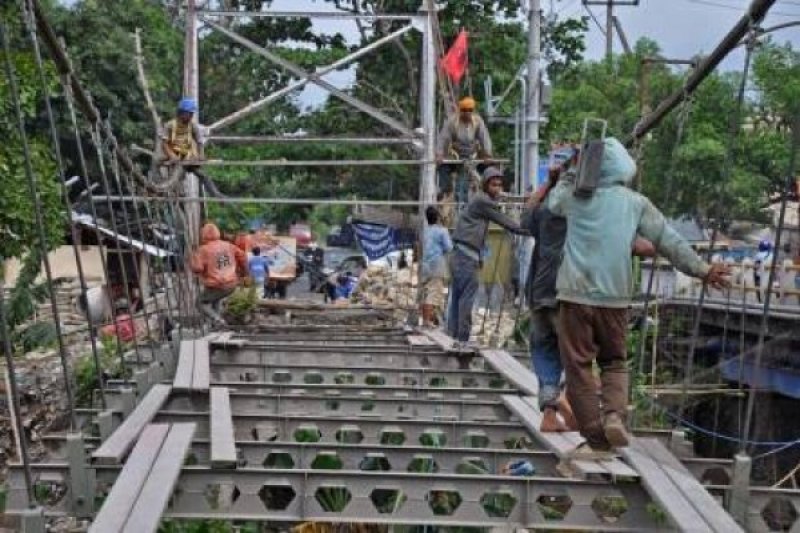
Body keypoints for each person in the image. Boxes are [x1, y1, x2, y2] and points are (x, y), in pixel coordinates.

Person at [547, 137, 730, 458]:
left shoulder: (576, 197)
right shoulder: (636, 202)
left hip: (575, 294)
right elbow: (668, 239)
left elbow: (552, 203)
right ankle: (615, 415)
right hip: (616, 297)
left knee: (578, 367)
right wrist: (702, 270)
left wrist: (569, 170)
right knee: (614, 361)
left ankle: (597, 438)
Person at [448, 167, 530, 347]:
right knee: (466, 298)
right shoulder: (483, 202)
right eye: (493, 185)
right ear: (485, 185)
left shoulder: (481, 199)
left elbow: (502, 198)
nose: (497, 189)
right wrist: (528, 230)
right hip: (465, 257)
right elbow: (506, 221)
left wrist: (520, 199)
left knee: (459, 297)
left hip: (461, 255)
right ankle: (462, 339)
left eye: (500, 185)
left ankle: (455, 337)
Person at [436, 97, 493, 205]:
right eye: (464, 110)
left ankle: (462, 203)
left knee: (465, 175)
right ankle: (445, 190)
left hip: (470, 155)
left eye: (470, 110)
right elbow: (443, 138)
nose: (467, 113)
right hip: (454, 155)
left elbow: (485, 138)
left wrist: (487, 154)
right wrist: (439, 154)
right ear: (460, 110)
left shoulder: (477, 121)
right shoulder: (452, 121)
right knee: (442, 167)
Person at [190, 222, 248, 326]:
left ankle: (218, 320)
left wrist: (193, 259)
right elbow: (243, 257)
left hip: (217, 284)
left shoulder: (203, 249)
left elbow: (197, 268)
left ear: (203, 235)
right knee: (215, 300)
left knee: (200, 303)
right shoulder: (229, 245)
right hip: (232, 283)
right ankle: (216, 325)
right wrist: (243, 273)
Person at [421, 206, 453, 327]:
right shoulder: (442, 231)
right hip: (436, 263)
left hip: (425, 264)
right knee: (434, 292)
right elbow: (449, 247)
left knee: (426, 291)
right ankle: (427, 320)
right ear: (438, 218)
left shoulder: (424, 231)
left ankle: (425, 319)